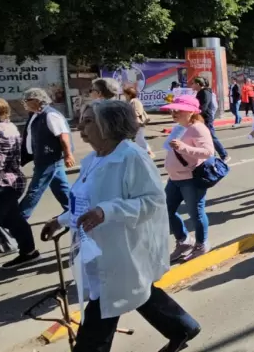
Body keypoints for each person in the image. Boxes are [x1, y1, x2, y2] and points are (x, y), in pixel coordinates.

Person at [39, 100, 201, 352]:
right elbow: (82, 199)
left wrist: (108, 211)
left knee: (104, 306)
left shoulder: (131, 156)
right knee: (134, 290)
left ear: (110, 125)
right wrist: (59, 220)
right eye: (81, 121)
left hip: (122, 246)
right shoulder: (93, 159)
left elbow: (153, 201)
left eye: (89, 121)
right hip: (96, 245)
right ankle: (181, 326)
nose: (81, 127)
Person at [161, 94, 213, 262]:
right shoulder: (178, 127)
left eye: (179, 110)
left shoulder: (198, 128)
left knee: (195, 213)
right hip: (174, 178)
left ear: (191, 112)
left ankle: (201, 243)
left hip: (190, 178)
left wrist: (184, 147)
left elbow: (208, 152)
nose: (174, 113)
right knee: (166, 210)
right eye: (173, 110)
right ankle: (183, 241)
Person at [0, 99, 39, 267]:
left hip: (0, 185)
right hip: (11, 182)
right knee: (12, 220)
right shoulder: (10, 127)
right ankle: (29, 251)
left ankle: (28, 251)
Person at [18, 88, 73, 220]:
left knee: (35, 189)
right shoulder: (37, 114)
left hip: (49, 158)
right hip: (42, 157)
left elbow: (63, 136)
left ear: (37, 100)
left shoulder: (50, 115)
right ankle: (74, 210)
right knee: (61, 187)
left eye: (27, 100)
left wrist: (68, 154)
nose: (25, 103)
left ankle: (19, 218)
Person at [192, 77, 228, 161]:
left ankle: (224, 155)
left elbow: (203, 106)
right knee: (203, 137)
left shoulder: (204, 92)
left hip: (206, 119)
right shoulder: (202, 92)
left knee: (211, 137)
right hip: (203, 118)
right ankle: (212, 155)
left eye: (193, 83)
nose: (192, 85)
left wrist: (195, 114)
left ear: (198, 84)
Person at [124, 86, 154, 159]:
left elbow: (136, 112)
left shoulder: (134, 101)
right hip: (136, 123)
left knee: (139, 138)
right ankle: (146, 152)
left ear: (129, 94)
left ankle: (148, 152)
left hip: (137, 123)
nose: (124, 95)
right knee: (137, 138)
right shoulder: (133, 101)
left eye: (125, 94)